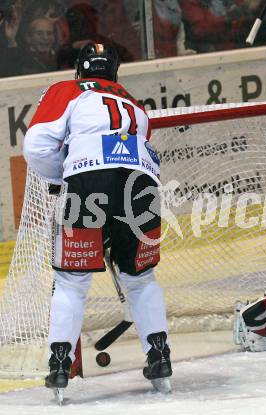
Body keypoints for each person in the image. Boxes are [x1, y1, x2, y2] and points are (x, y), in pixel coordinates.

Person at [23, 43, 172, 394]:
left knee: (72, 280)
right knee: (140, 277)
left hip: (89, 181)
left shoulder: (67, 89)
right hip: (142, 183)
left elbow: (36, 145)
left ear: (80, 69)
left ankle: (59, 364)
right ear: (114, 72)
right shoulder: (134, 101)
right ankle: (160, 357)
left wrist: (64, 177)